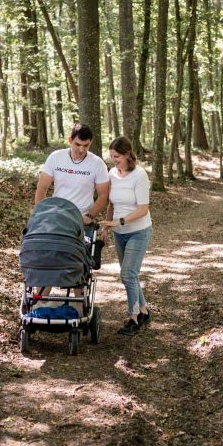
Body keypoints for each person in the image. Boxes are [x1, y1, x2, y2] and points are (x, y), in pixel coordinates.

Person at [34, 122, 109, 268]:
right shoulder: (56, 157)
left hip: (81, 220)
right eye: (77, 144)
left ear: (90, 143)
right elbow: (42, 187)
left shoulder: (97, 164)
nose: (81, 149)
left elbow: (103, 195)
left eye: (86, 146)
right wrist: (40, 211)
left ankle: (79, 289)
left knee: (77, 263)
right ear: (70, 140)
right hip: (56, 216)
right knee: (49, 259)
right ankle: (41, 291)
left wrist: (90, 216)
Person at [99, 137, 152, 336]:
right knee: (130, 275)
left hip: (138, 231)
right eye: (111, 156)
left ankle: (134, 317)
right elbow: (112, 204)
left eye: (117, 156)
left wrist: (120, 222)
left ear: (128, 154)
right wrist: (106, 228)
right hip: (119, 234)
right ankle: (144, 311)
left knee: (128, 275)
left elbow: (143, 209)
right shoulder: (112, 173)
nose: (114, 160)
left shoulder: (139, 176)